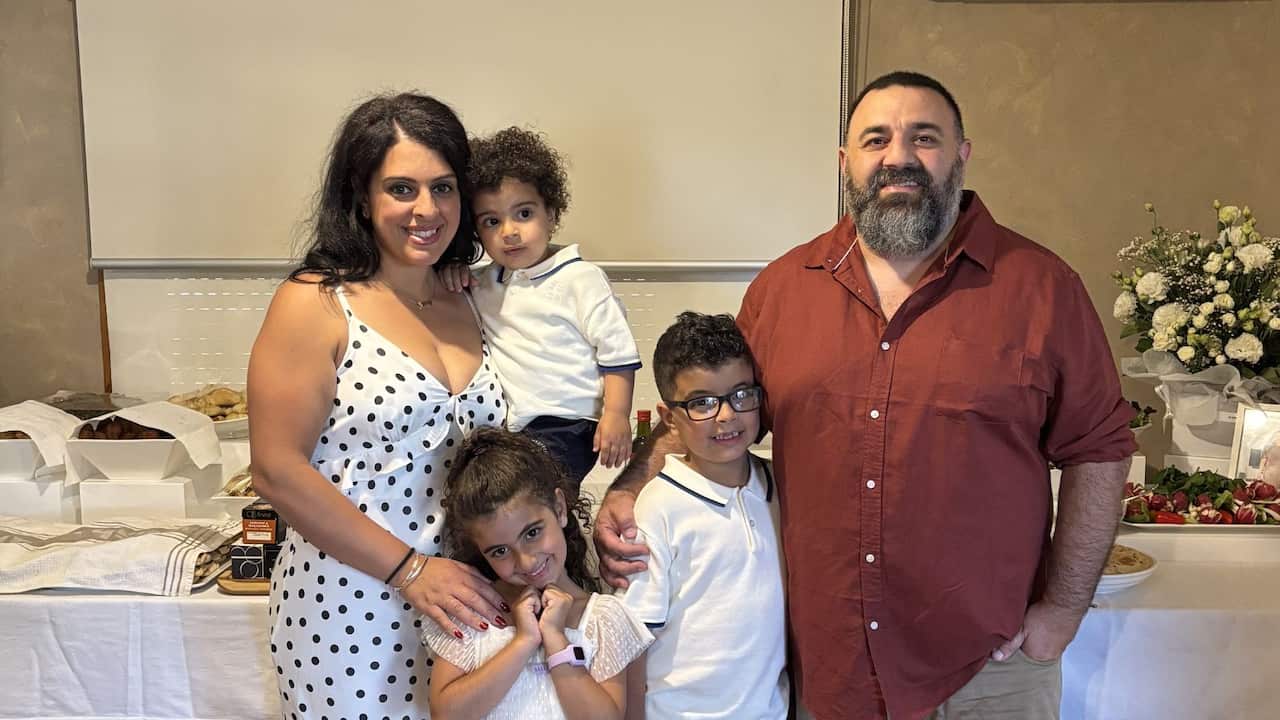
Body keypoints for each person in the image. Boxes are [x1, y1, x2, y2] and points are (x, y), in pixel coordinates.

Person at [593, 71, 1136, 720]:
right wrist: (629, 489)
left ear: (961, 154)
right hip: (831, 668)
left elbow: (1100, 450)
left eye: (924, 138)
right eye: (876, 139)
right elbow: (710, 408)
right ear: (847, 162)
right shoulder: (783, 290)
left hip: (990, 666)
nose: (899, 156)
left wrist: (1064, 608)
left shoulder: (1042, 288)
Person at [248, 92, 511, 718]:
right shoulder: (316, 303)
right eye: (402, 189)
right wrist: (412, 572)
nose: (427, 209)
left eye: (444, 188)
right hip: (353, 604)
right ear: (361, 198)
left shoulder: (469, 298)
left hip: (467, 605)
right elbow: (277, 470)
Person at [447, 126, 641, 490]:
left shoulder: (581, 278)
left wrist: (616, 415)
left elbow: (617, 355)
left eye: (523, 214)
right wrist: (454, 271)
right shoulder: (485, 283)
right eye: (492, 221)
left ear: (551, 214)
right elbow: (452, 301)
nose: (509, 231)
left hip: (570, 423)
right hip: (513, 427)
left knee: (529, 498)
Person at [621, 311, 788, 719]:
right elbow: (633, 635)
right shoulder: (659, 506)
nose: (726, 415)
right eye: (702, 403)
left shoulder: (779, 485)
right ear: (668, 417)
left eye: (741, 394)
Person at [422, 428, 651, 719]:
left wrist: (555, 639)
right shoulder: (474, 611)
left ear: (559, 508)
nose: (527, 562)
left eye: (532, 532)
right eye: (500, 551)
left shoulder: (604, 619)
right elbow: (447, 715)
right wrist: (523, 642)